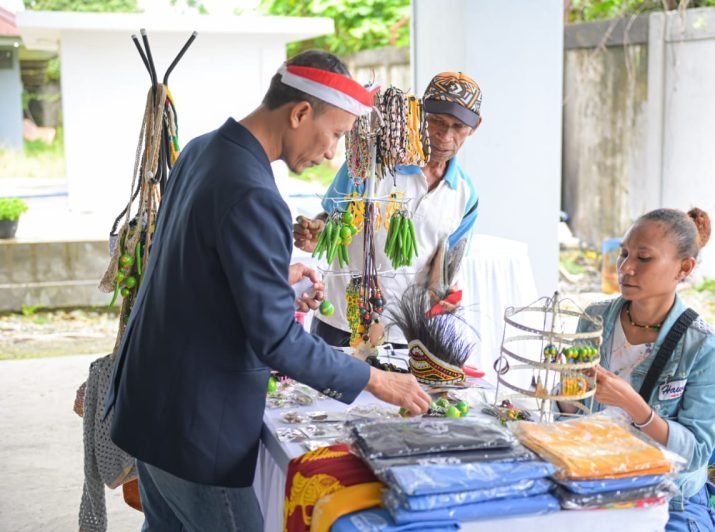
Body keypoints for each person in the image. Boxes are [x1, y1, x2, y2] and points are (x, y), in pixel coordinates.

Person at [104, 50, 431, 531]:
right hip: (196, 428)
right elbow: (277, 340)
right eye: (336, 134)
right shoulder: (255, 192)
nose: (331, 154)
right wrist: (377, 381)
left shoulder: (202, 149)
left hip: (151, 407)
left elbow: (186, 267)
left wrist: (274, 284)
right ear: (300, 113)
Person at [565, 207, 715, 530]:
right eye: (623, 254)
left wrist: (633, 405)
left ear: (684, 268)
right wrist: (563, 391)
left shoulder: (703, 348)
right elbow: (574, 414)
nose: (626, 268)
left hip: (669, 497)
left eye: (644, 258)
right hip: (595, 477)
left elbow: (695, 452)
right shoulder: (594, 319)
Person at [293, 72, 482, 347]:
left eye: (458, 127)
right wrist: (318, 232)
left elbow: (443, 268)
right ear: (418, 114)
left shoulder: (466, 196)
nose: (445, 135)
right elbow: (332, 220)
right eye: (437, 121)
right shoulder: (369, 163)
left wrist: (442, 295)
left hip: (406, 334)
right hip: (345, 323)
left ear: (474, 128)